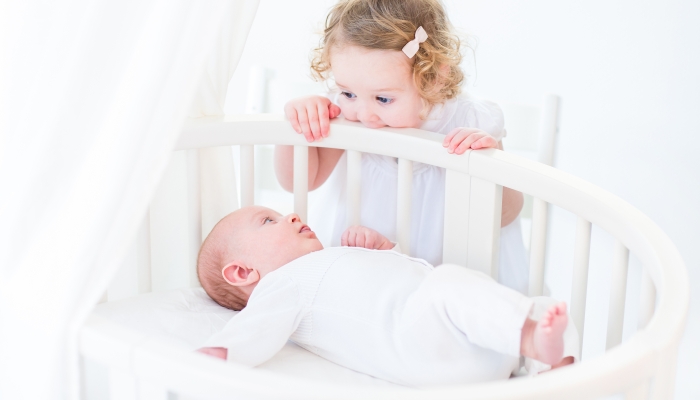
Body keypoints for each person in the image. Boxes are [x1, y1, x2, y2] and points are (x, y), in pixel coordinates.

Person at [274, 0, 529, 294]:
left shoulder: (470, 120)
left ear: (433, 79)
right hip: (362, 275)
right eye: (347, 92)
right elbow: (297, 182)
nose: (364, 114)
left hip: (449, 279)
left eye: (383, 99)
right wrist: (296, 127)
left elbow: (507, 214)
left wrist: (485, 159)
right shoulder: (343, 114)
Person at [196, 206, 577, 387]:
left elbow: (401, 276)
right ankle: (530, 339)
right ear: (243, 273)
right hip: (428, 349)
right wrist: (220, 353)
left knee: (543, 304)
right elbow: (256, 327)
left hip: (476, 340)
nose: (291, 216)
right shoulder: (283, 284)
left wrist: (383, 248)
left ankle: (549, 372)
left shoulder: (327, 260)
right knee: (447, 284)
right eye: (269, 221)